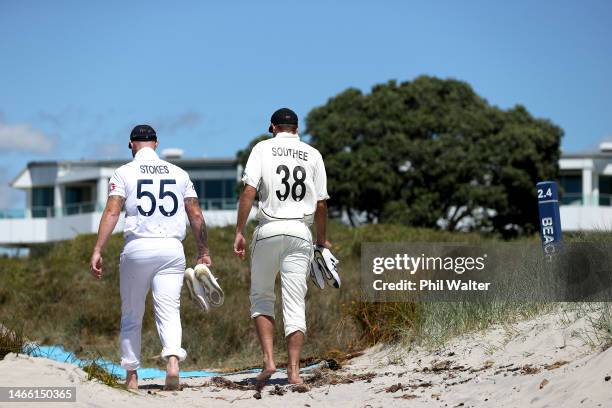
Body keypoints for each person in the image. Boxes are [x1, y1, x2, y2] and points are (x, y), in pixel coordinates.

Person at [89, 124, 211, 390]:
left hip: (139, 248)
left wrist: (98, 249)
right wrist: (203, 251)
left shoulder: (123, 173)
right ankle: (173, 362)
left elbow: (112, 212)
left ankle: (132, 376)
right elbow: (196, 215)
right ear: (156, 144)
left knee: (132, 314)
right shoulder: (179, 173)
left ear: (131, 145)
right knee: (169, 310)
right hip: (171, 249)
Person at [233, 108, 330, 384]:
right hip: (301, 231)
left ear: (273, 127)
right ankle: (295, 371)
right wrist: (321, 240)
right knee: (294, 303)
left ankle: (268, 363)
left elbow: (249, 191)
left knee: (262, 297)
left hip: (269, 229)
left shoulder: (262, 149)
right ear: (297, 129)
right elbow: (321, 203)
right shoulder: (313, 154)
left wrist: (239, 231)